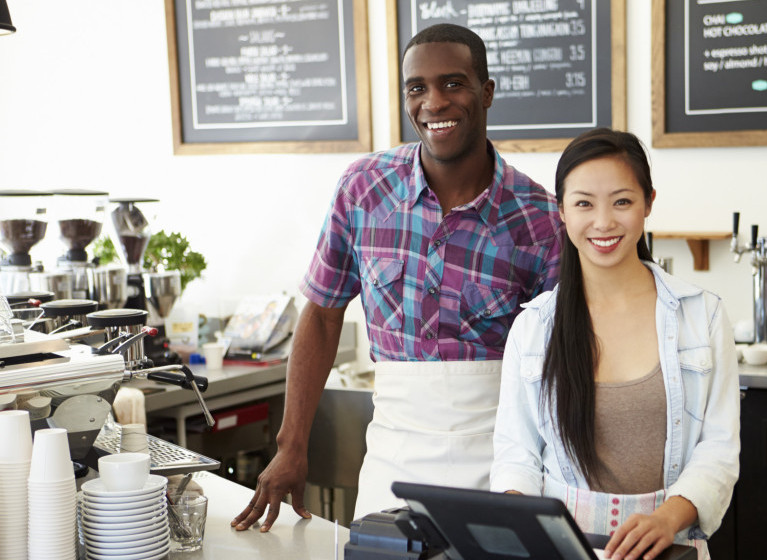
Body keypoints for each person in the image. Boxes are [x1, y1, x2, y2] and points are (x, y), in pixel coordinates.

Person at [231, 24, 562, 532]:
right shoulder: (364, 188)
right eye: (417, 88)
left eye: (453, 83)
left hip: (501, 462)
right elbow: (322, 316)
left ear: (487, 92)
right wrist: (291, 445)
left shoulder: (540, 218)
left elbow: (559, 365)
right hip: (391, 459)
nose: (434, 102)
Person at [490, 128, 739, 560]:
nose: (603, 222)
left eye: (622, 202)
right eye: (584, 203)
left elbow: (718, 449)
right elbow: (517, 454)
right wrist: (519, 519)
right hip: (563, 547)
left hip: (671, 545)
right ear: (561, 210)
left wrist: (667, 518)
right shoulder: (534, 328)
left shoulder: (703, 316)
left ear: (648, 203)